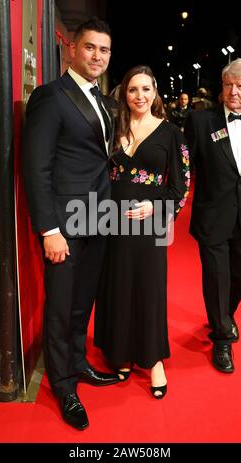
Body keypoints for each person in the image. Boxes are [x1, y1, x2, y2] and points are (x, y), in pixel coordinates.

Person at [22, 17, 119, 431]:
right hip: (64, 224)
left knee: (83, 302)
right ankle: (62, 385)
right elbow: (36, 167)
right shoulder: (51, 96)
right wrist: (50, 230)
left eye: (104, 50)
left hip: (97, 217)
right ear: (72, 50)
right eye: (91, 48)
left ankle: (77, 363)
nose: (97, 56)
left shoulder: (101, 100)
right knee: (61, 307)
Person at [94, 65, 190, 399]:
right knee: (118, 284)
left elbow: (182, 184)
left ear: (155, 93)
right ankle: (119, 353)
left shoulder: (171, 133)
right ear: (124, 92)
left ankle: (153, 361)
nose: (140, 96)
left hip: (150, 225)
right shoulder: (113, 127)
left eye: (146, 89)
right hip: (113, 221)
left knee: (149, 289)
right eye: (133, 90)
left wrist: (158, 207)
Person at [185, 58, 241, 373]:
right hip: (213, 216)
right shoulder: (200, 121)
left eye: (240, 86)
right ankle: (222, 338)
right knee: (216, 277)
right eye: (228, 85)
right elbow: (185, 167)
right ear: (222, 87)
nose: (233, 92)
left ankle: (224, 315)